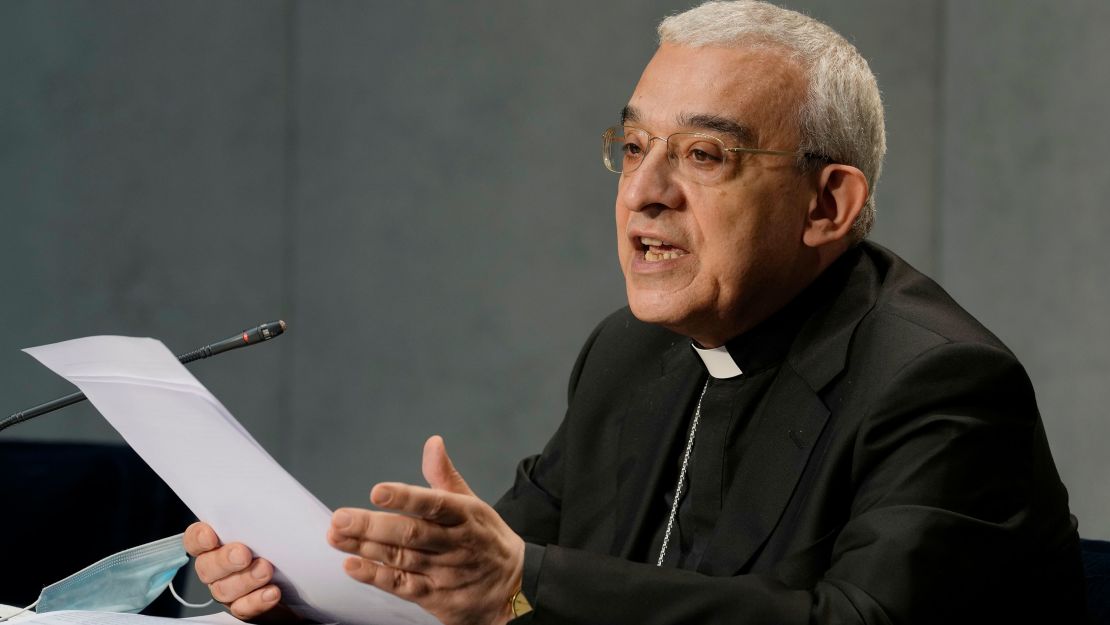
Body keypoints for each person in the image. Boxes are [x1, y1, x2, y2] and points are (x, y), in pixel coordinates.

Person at [185, 1, 1086, 623]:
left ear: (827, 204)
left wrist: (518, 581)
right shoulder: (632, 354)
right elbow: (487, 583)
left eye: (702, 154)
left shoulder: (941, 386)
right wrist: (302, 587)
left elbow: (854, 620)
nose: (644, 193)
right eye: (634, 145)